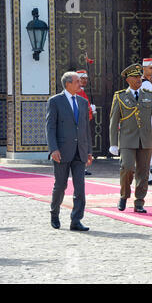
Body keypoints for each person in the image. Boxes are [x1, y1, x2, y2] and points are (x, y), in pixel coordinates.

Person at [109, 63, 152, 213]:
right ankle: (124, 195)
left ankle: (139, 202)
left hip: (146, 139)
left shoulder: (149, 95)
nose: (138, 79)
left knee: (143, 172)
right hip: (127, 140)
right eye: (135, 77)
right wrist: (113, 143)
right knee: (127, 167)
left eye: (139, 77)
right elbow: (114, 121)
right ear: (128, 79)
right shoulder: (120, 96)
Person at [46, 72, 93, 231]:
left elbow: (86, 129)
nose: (81, 84)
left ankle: (76, 220)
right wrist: (53, 149)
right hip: (62, 151)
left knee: (80, 188)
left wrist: (89, 151)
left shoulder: (83, 102)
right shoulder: (55, 101)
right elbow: (50, 127)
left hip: (80, 151)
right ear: (68, 84)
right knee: (60, 185)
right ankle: (54, 212)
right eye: (77, 81)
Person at [76, 70, 96, 176]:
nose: (85, 80)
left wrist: (91, 110)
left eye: (86, 78)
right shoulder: (78, 91)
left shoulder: (82, 91)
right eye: (82, 78)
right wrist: (89, 108)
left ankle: (82, 166)